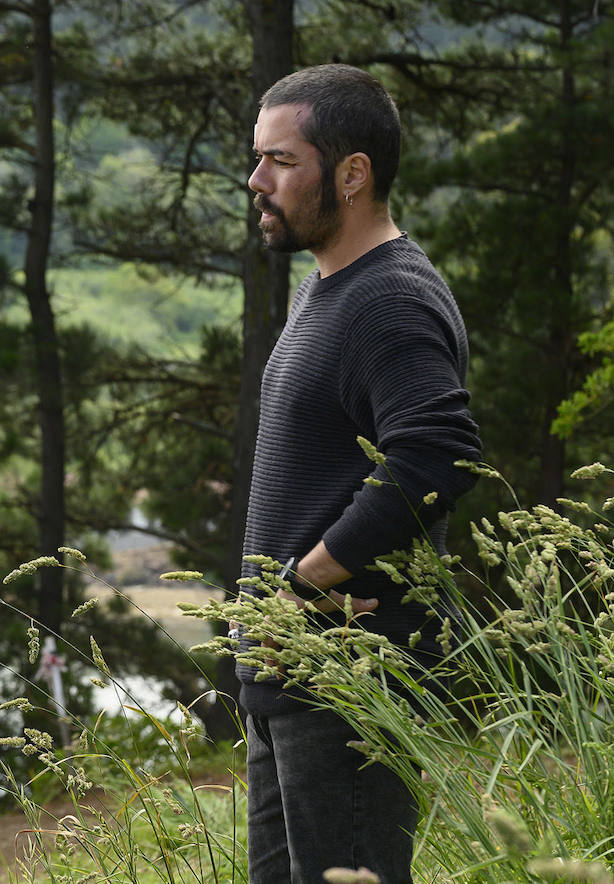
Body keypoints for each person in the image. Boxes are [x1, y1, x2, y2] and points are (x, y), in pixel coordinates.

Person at [238, 64, 483, 882]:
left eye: (281, 161)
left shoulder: (391, 300)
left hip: (349, 677)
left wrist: (306, 580)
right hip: (292, 683)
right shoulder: (326, 287)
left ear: (352, 174)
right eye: (257, 158)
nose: (256, 180)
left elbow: (439, 450)